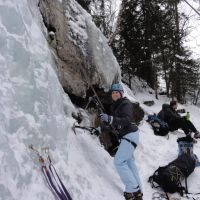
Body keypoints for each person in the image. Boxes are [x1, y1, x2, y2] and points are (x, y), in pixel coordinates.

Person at [98, 83, 143, 200]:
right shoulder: (116, 106)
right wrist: (100, 129)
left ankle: (131, 189)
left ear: (121, 93)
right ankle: (138, 192)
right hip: (129, 136)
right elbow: (116, 125)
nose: (114, 94)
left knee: (119, 161)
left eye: (117, 92)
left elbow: (127, 120)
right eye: (113, 92)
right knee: (129, 163)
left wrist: (111, 118)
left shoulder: (125, 103)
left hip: (130, 135)